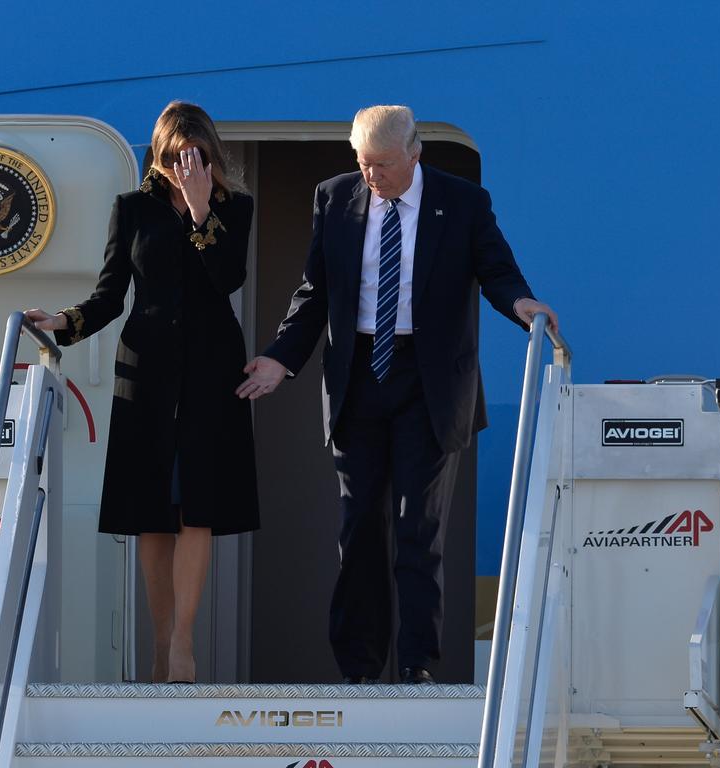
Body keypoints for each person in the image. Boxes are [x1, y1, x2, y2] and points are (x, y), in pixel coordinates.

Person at [236, 105, 557, 684]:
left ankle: (416, 667)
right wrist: (282, 359)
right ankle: (359, 669)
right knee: (358, 529)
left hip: (429, 384)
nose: (372, 176)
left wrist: (522, 306)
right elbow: (315, 293)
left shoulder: (462, 202)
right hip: (358, 378)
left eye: (383, 164)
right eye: (363, 164)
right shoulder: (335, 197)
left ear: (415, 153)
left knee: (418, 530)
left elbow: (497, 270)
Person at [27, 101, 258, 684]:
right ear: (156, 156)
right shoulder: (133, 209)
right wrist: (65, 322)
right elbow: (110, 294)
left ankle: (182, 643)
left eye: (195, 156)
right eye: (174, 156)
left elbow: (228, 278)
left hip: (210, 373)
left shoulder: (236, 208)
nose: (184, 166)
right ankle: (160, 643)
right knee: (154, 513)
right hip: (147, 372)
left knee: (197, 509)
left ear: (209, 154)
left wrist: (203, 211)